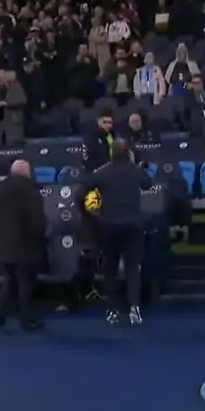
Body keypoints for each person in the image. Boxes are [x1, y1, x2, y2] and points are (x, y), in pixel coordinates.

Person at [77, 138, 154, 325]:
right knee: (132, 268)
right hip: (133, 226)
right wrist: (136, 165)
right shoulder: (134, 171)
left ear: (111, 153)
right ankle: (134, 308)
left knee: (110, 270)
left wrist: (88, 214)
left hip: (108, 226)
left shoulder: (103, 173)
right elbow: (148, 183)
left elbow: (80, 192)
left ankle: (112, 311)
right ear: (128, 153)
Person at [0, 159, 46, 332]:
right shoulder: (31, 191)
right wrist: (40, 239)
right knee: (25, 282)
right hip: (26, 244)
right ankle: (25, 320)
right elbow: (38, 221)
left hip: (3, 245)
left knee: (9, 279)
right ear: (27, 172)